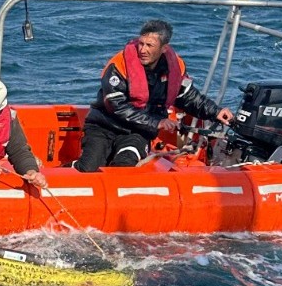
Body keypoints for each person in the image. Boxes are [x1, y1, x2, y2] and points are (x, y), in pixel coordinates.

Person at [75, 19, 235, 172]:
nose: (142, 50)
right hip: (104, 126)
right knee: (89, 167)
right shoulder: (118, 65)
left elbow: (188, 97)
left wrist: (216, 112)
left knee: (125, 164)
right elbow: (116, 106)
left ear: (164, 48)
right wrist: (156, 123)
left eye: (149, 45)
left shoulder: (175, 67)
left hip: (138, 132)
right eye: (141, 43)